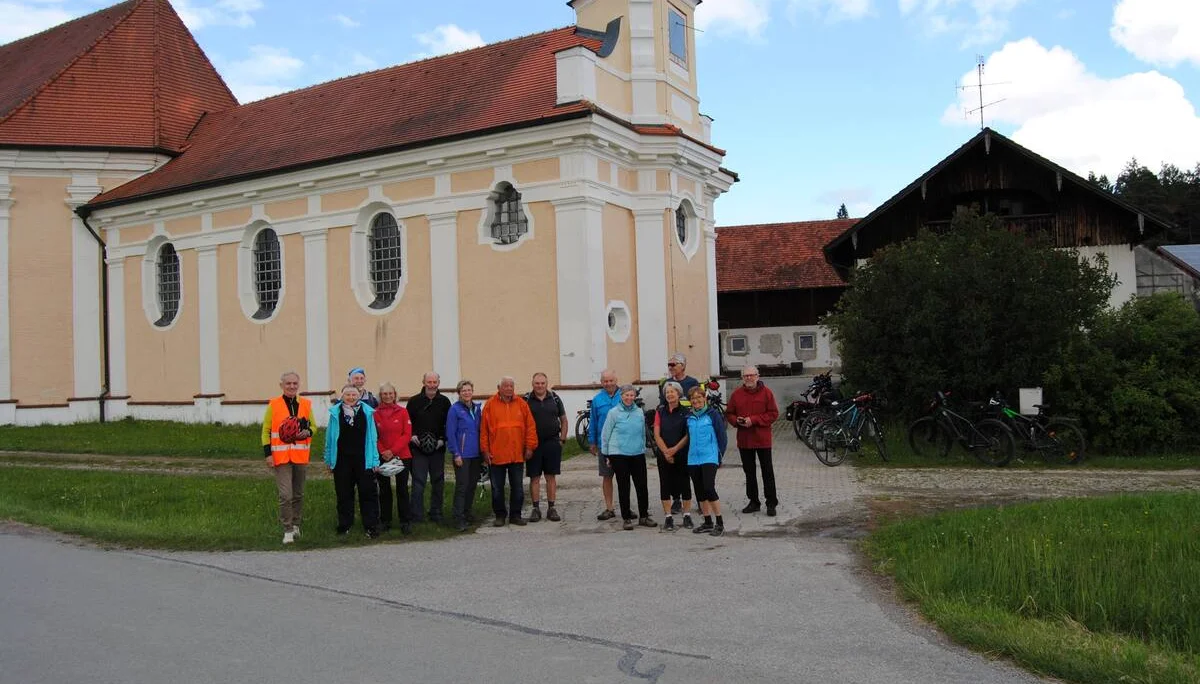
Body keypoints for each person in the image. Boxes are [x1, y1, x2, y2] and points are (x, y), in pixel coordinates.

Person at [261, 370, 315, 545]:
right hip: (281, 456)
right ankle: (287, 529)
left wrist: (309, 431)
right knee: (286, 494)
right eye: (288, 383)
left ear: (298, 384)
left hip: (300, 455)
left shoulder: (306, 404)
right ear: (281, 385)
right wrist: (268, 454)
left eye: (295, 383)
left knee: (298, 493)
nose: (292, 386)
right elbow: (266, 431)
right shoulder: (274, 404)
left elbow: (314, 426)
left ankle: (297, 524)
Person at [324, 384, 381, 537]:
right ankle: (344, 526)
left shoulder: (368, 412)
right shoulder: (335, 414)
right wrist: (329, 460)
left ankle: (371, 526)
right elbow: (329, 439)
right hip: (342, 460)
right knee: (344, 494)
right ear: (342, 397)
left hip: (364, 460)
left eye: (354, 395)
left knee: (367, 493)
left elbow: (373, 438)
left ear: (358, 396)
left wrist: (375, 460)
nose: (351, 397)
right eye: (348, 395)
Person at [480, 376, 538, 527]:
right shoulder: (490, 405)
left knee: (517, 488)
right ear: (499, 388)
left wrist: (530, 447)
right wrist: (485, 450)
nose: (509, 389)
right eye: (505, 386)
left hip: (517, 454)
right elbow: (484, 431)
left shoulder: (521, 404)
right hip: (496, 455)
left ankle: (515, 515)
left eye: (511, 386)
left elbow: (530, 427)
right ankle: (500, 515)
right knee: (497, 488)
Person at [725, 365, 780, 516]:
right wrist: (737, 421)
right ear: (742, 378)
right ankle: (754, 501)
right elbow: (729, 414)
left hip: (762, 439)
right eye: (746, 376)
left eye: (751, 375)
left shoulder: (767, 393)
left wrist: (754, 420)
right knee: (749, 473)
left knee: (767, 471)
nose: (749, 378)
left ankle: (771, 503)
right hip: (745, 440)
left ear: (758, 376)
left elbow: (773, 414)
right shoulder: (736, 395)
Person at [601, 384, 656, 531]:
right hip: (618, 453)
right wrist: (606, 454)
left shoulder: (639, 412)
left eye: (632, 395)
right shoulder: (613, 413)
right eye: (626, 395)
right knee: (624, 486)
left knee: (642, 485)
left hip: (637, 453)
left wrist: (643, 447)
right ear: (621, 396)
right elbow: (606, 434)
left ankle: (644, 516)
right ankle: (626, 518)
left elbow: (643, 432)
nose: (629, 398)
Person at [407, 371, 451, 523]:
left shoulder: (444, 402)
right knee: (418, 482)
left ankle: (436, 512)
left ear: (438, 383)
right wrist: (411, 435)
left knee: (438, 481)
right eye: (429, 382)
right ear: (424, 382)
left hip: (437, 448)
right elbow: (407, 423)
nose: (432, 385)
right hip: (418, 448)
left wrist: (443, 440)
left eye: (434, 382)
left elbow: (448, 425)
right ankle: (416, 515)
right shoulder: (414, 401)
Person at [659, 352, 699, 515]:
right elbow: (662, 402)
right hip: (670, 424)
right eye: (669, 365)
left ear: (682, 365)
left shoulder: (692, 382)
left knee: (684, 471)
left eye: (673, 365)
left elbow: (697, 399)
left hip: (686, 422)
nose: (670, 368)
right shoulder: (666, 383)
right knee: (671, 470)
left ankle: (688, 500)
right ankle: (675, 499)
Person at [524, 372, 567, 523]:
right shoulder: (526, 399)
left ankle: (551, 508)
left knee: (551, 477)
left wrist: (562, 439)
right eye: (537, 383)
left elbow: (563, 419)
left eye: (542, 383)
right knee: (534, 477)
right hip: (533, 444)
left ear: (546, 384)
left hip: (552, 443)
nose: (540, 386)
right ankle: (536, 509)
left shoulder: (554, 398)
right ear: (532, 384)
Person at [686, 385, 728, 536]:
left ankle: (720, 523)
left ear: (704, 398)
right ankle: (707, 522)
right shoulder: (689, 417)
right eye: (693, 398)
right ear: (690, 401)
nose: (696, 400)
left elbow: (722, 437)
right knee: (699, 492)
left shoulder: (713, 414)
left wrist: (719, 456)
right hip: (693, 459)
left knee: (709, 488)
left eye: (699, 397)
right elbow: (688, 437)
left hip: (709, 457)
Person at [653, 381, 693, 532]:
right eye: (667, 392)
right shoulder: (660, 411)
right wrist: (666, 452)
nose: (670, 394)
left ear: (679, 394)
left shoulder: (686, 411)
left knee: (684, 483)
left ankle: (687, 514)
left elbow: (688, 435)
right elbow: (656, 433)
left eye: (673, 392)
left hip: (682, 453)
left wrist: (674, 450)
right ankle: (668, 517)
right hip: (664, 455)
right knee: (665, 484)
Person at [374, 382, 412, 534]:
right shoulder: (374, 413)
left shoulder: (403, 412)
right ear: (380, 396)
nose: (388, 396)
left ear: (395, 395)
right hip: (382, 456)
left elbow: (407, 434)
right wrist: (383, 451)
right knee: (384, 490)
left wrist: (393, 451)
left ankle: (405, 521)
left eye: (390, 393)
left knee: (402, 489)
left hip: (402, 455)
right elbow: (373, 436)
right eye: (385, 394)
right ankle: (385, 520)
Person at [447, 380, 484, 532]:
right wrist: (456, 453)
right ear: (459, 393)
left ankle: (467, 512)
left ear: (472, 391)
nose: (467, 393)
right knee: (462, 486)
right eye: (464, 391)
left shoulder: (476, 409)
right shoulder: (455, 410)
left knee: (472, 485)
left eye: (469, 390)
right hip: (462, 455)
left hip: (476, 454)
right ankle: (458, 517)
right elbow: (450, 433)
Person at [588, 370, 622, 521]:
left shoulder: (625, 396)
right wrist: (592, 441)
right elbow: (593, 421)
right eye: (605, 381)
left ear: (616, 380)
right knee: (607, 477)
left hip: (623, 444)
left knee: (624, 477)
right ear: (602, 382)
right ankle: (609, 508)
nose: (608, 384)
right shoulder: (597, 400)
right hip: (605, 445)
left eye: (611, 380)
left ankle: (626, 507)